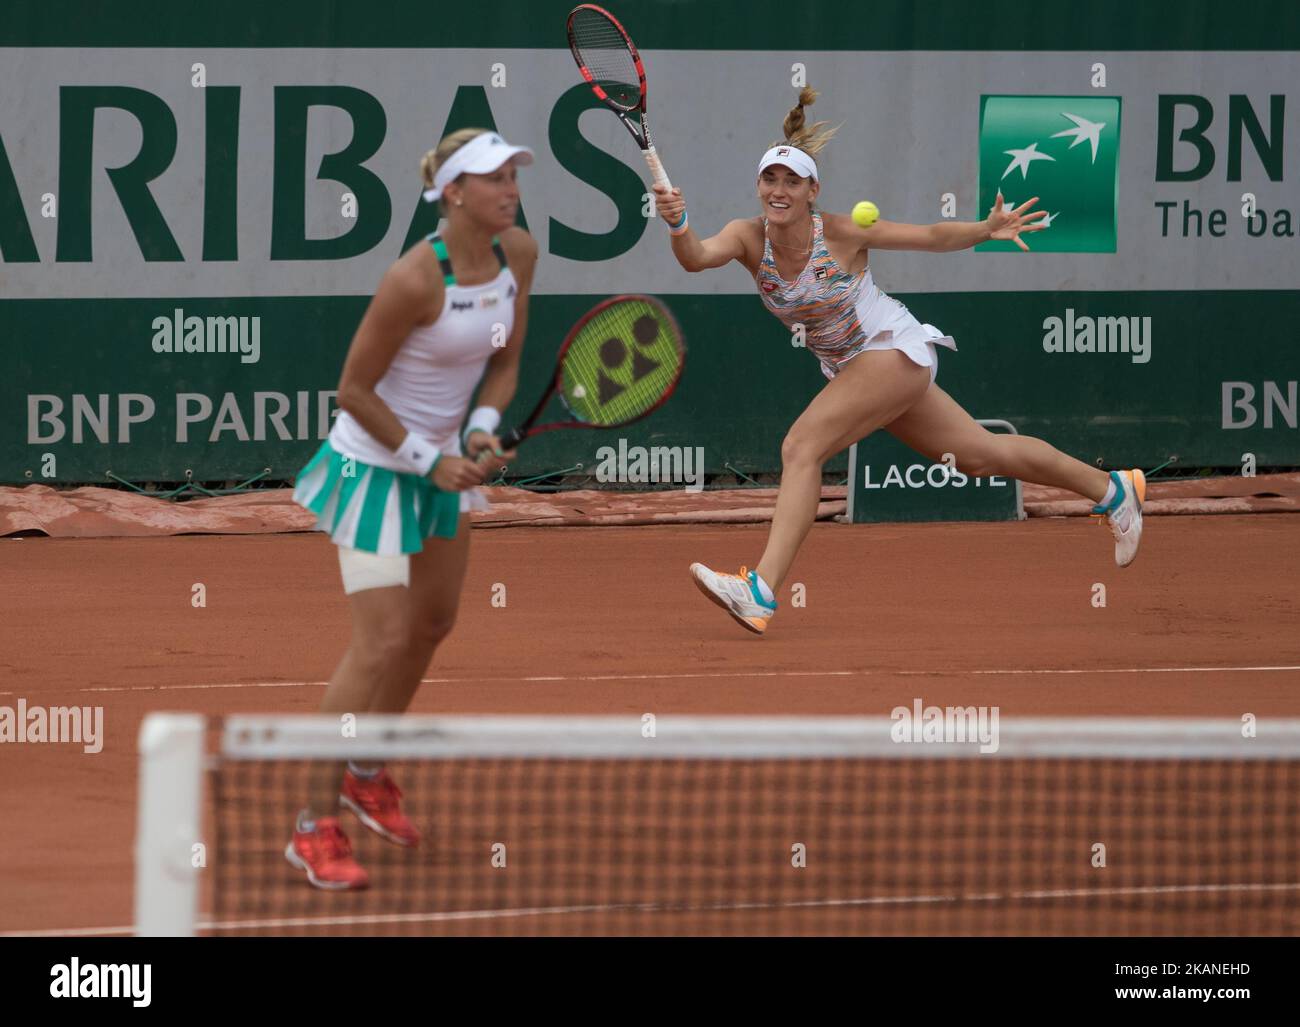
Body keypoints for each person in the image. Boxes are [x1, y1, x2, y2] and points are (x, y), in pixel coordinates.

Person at [654, 87, 1144, 636]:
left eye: (793, 181)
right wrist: (678, 223)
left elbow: (930, 235)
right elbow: (696, 258)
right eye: (770, 179)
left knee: (800, 446)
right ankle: (1115, 491)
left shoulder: (841, 231)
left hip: (892, 349)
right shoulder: (747, 238)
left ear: (814, 191)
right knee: (981, 456)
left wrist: (985, 229)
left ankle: (761, 591)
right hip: (858, 368)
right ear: (758, 186)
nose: (779, 190)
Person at [287, 129, 538, 887]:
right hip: (374, 466)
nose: (510, 188)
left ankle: (367, 771)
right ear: (453, 192)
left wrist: (485, 428)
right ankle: (310, 823)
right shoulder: (412, 280)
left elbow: (504, 362)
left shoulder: (517, 256)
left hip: (447, 465)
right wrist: (432, 460)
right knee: (382, 639)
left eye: (513, 176)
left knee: (433, 624)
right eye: (493, 178)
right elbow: (353, 392)